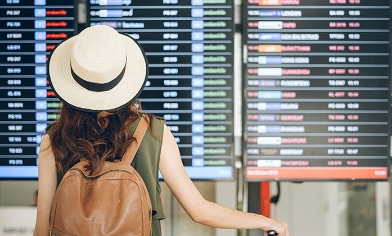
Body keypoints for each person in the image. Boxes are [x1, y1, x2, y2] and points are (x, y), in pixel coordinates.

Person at [33, 24, 289, 236]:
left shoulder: (52, 141)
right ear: (124, 79)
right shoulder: (152, 132)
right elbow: (198, 210)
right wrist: (266, 221)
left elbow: (42, 230)